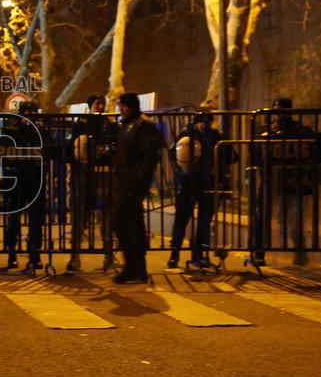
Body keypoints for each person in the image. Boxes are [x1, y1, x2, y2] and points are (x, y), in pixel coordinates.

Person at [250, 98, 316, 267]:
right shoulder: (266, 132)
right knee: (262, 218)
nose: (279, 115)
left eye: (281, 110)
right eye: (276, 110)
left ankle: (299, 253)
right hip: (270, 182)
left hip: (293, 183)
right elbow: (256, 157)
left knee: (296, 221)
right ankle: (259, 254)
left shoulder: (301, 131)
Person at [167, 111, 231, 269]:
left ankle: (198, 255)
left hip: (207, 183)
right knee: (182, 220)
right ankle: (174, 254)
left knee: (204, 221)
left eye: (208, 122)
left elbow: (231, 157)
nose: (205, 125)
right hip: (189, 183)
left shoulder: (215, 136)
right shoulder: (187, 135)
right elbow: (174, 155)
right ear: (195, 122)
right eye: (202, 121)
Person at [111, 93, 163, 284]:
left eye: (124, 105)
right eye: (120, 105)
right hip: (123, 182)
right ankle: (134, 267)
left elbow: (149, 159)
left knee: (131, 226)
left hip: (132, 184)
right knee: (123, 225)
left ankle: (135, 268)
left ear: (132, 106)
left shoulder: (144, 126)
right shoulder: (126, 125)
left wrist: (140, 185)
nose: (121, 109)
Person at [66, 94, 117, 272]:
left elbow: (115, 145)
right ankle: (74, 257)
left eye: (103, 103)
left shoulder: (109, 124)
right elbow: (72, 147)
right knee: (80, 216)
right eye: (97, 103)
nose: (101, 106)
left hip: (103, 175)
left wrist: (107, 150)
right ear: (90, 106)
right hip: (83, 176)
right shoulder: (81, 123)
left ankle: (109, 256)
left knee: (105, 216)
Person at [0, 101, 54, 272]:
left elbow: (49, 150)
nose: (30, 114)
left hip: (35, 177)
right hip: (17, 177)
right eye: (27, 111)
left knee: (36, 219)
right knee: (14, 218)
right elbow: (2, 151)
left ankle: (34, 254)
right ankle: (12, 252)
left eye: (32, 111)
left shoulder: (40, 131)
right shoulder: (12, 130)